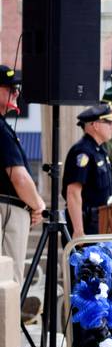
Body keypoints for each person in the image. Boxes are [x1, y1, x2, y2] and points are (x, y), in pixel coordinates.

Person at [0, 66, 46, 311]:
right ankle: (6, 346)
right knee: (8, 281)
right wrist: (38, 204)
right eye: (10, 88)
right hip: (7, 209)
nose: (16, 93)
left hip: (9, 206)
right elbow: (19, 177)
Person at [62, 104, 112, 238]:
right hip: (87, 224)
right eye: (109, 123)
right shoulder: (83, 151)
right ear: (95, 125)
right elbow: (73, 192)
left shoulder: (100, 150)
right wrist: (78, 230)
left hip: (101, 221)